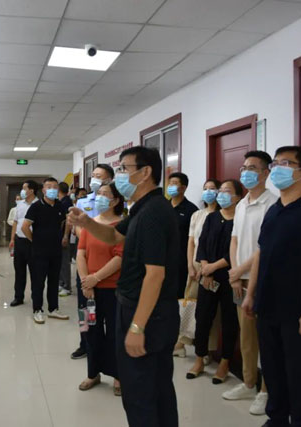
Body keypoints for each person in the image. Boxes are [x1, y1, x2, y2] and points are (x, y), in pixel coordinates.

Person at [68, 147, 180, 427]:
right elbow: (113, 235)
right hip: (140, 308)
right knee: (154, 389)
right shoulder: (141, 208)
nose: (118, 176)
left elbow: (155, 275)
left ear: (145, 172)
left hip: (149, 315)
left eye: (123, 169)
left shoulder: (153, 213)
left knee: (141, 393)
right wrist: (86, 222)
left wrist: (137, 327)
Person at [242, 146, 301, 427]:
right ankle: (276, 420)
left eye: (285, 163)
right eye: (275, 163)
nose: (277, 169)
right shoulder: (274, 211)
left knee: (299, 377)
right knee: (273, 372)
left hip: (299, 312)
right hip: (267, 307)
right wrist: (251, 295)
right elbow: (261, 254)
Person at [222, 151, 278, 415]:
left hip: (261, 278)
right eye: (244, 167)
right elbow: (234, 239)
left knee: (265, 338)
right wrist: (235, 272)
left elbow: (265, 247)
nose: (246, 172)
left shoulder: (273, 204)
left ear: (266, 173)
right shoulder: (242, 203)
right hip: (239, 278)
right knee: (246, 336)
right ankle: (248, 382)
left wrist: (241, 270)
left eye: (252, 168)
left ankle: (266, 391)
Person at [187, 179, 243, 385]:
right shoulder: (211, 218)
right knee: (202, 317)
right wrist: (205, 268)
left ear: (237, 197)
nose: (221, 194)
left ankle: (225, 363)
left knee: (229, 321)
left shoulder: (240, 220)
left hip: (231, 277)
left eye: (227, 191)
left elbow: (237, 250)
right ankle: (199, 359)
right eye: (221, 191)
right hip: (208, 276)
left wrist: (214, 267)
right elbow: (201, 244)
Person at [77, 183, 124, 396]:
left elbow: (119, 257)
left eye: (105, 194)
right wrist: (85, 282)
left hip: (112, 290)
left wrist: (95, 278)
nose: (100, 197)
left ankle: (118, 375)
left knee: (115, 333)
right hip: (87, 291)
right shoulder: (90, 223)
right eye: (99, 194)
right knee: (88, 330)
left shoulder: (121, 226)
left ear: (115, 200)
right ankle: (93, 373)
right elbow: (81, 254)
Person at [70, 165, 114, 359]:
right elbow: (78, 227)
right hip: (86, 258)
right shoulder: (83, 201)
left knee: (108, 314)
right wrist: (88, 240)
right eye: (93, 175)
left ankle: (107, 349)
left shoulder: (116, 204)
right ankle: (85, 343)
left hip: (108, 264)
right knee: (85, 311)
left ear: (109, 180)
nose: (94, 179)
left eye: (99, 176)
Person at [176, 179, 222, 358]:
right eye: (205, 188)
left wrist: (207, 268)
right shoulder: (197, 214)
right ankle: (183, 341)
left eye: (212, 188)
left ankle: (207, 349)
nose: (208, 191)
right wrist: (190, 265)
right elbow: (191, 242)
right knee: (190, 304)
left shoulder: (222, 215)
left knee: (210, 310)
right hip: (195, 265)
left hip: (212, 266)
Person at [22, 178, 70, 324]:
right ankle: (37, 310)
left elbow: (65, 221)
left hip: (56, 250)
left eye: (55, 187)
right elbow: (25, 227)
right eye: (49, 186)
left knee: (54, 281)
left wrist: (65, 236)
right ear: (43, 190)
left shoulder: (60, 205)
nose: (52, 189)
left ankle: (53, 309)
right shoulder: (36, 206)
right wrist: (34, 240)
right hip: (39, 251)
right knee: (38, 281)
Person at [167, 172, 198, 296]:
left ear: (183, 188)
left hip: (181, 262)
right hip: (162, 260)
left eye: (174, 183)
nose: (171, 186)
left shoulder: (192, 210)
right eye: (170, 183)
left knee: (178, 296)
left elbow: (194, 240)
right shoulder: (163, 206)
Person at [9, 181, 38, 307]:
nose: (22, 191)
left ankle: (36, 297)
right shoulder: (20, 204)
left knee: (35, 272)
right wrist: (12, 239)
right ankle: (18, 297)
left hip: (32, 242)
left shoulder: (38, 205)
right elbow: (15, 222)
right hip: (19, 241)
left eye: (24, 188)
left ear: (31, 190)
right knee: (19, 271)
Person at [58, 182, 74, 296]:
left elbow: (68, 220)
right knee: (59, 261)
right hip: (59, 236)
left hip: (64, 236)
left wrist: (65, 236)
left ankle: (67, 286)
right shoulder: (61, 202)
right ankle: (61, 282)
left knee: (64, 262)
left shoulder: (66, 202)